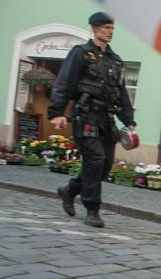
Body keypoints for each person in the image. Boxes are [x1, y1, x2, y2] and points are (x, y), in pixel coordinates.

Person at [48, 12, 136, 228]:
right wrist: (56, 112)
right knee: (95, 159)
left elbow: (121, 92)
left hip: (107, 118)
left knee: (105, 166)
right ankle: (92, 209)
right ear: (94, 29)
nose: (110, 31)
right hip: (85, 115)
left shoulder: (115, 60)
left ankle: (69, 191)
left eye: (112, 28)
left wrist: (128, 120)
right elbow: (64, 82)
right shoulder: (81, 53)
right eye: (106, 27)